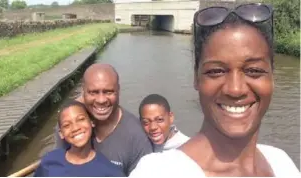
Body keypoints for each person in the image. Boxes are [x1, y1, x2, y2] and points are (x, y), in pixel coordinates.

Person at [129, 3, 301, 177]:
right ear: (196, 78)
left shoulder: (281, 163)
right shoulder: (160, 172)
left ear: (273, 77)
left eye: (254, 71)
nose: (235, 89)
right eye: (216, 71)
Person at [54, 63, 153, 176]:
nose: (101, 100)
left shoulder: (137, 139)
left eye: (108, 92)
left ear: (119, 90)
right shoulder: (70, 123)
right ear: (84, 92)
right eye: (93, 92)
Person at [34, 100, 125, 177]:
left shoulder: (111, 172)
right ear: (61, 134)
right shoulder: (50, 160)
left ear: (91, 122)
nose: (75, 128)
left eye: (81, 119)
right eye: (67, 125)